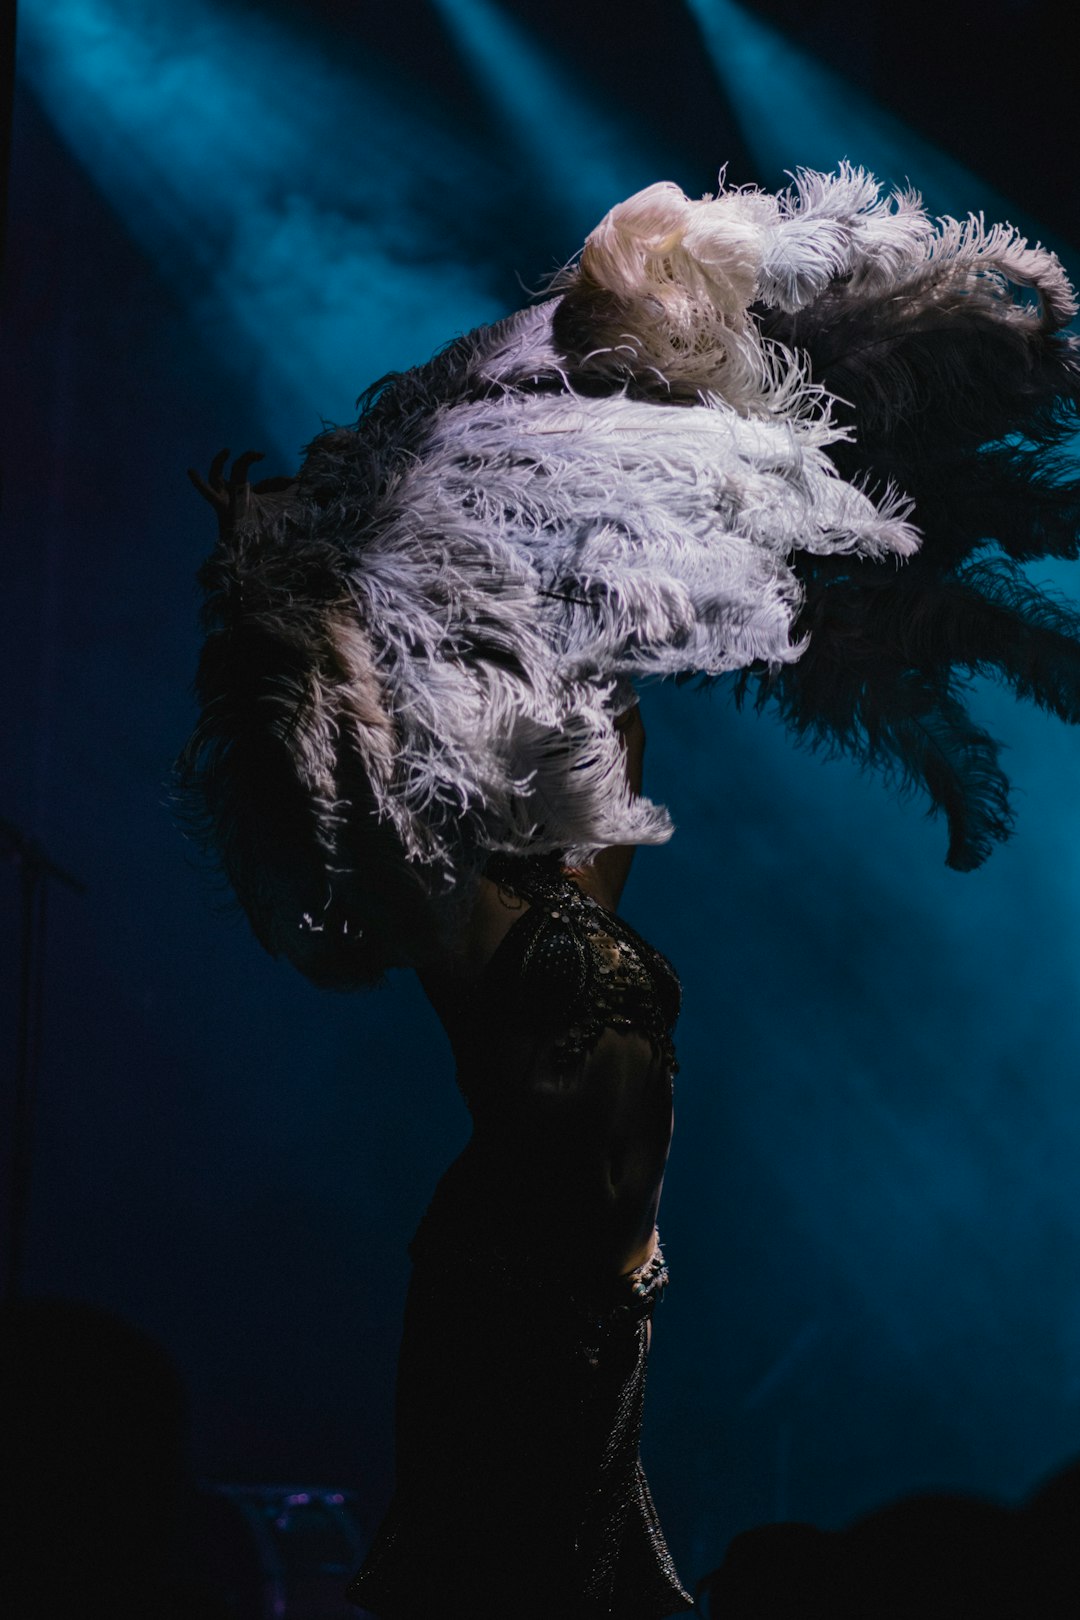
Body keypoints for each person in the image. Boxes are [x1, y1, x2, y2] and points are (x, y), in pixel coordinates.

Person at [182, 164, 1080, 1617]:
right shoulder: (460, 873)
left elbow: (596, 634)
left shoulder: (585, 817)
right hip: (526, 1289)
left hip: (595, 1304)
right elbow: (399, 720)